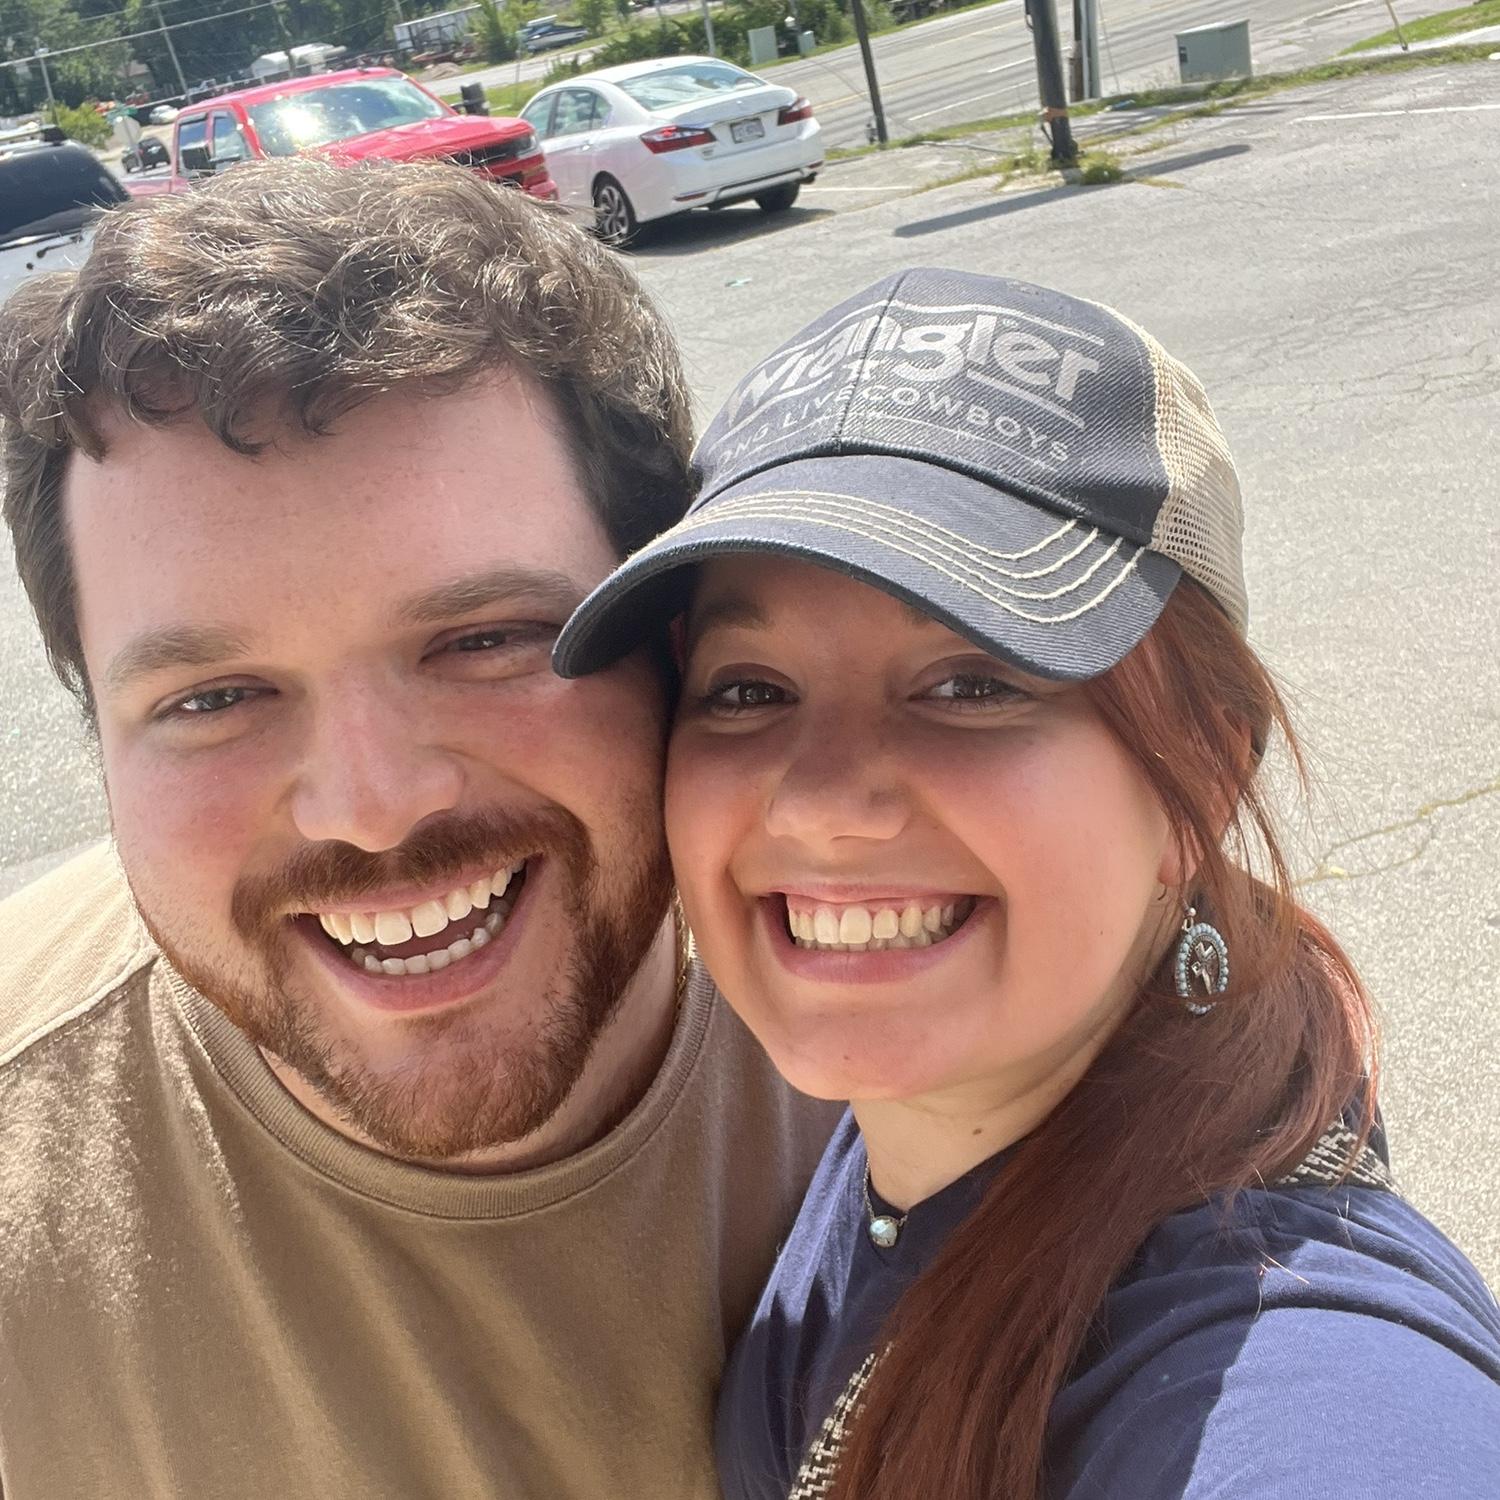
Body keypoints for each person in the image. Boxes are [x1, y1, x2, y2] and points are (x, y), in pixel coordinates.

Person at [554, 268, 1500, 1499]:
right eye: (747, 690)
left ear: (1203, 771)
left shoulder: (1299, 1373)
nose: (823, 802)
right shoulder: (922, 1129)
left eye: (972, 682)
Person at [0, 158, 837, 1498]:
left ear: (669, 639)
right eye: (213, 698)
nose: (373, 806)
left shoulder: (951, 985)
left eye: (486, 640)